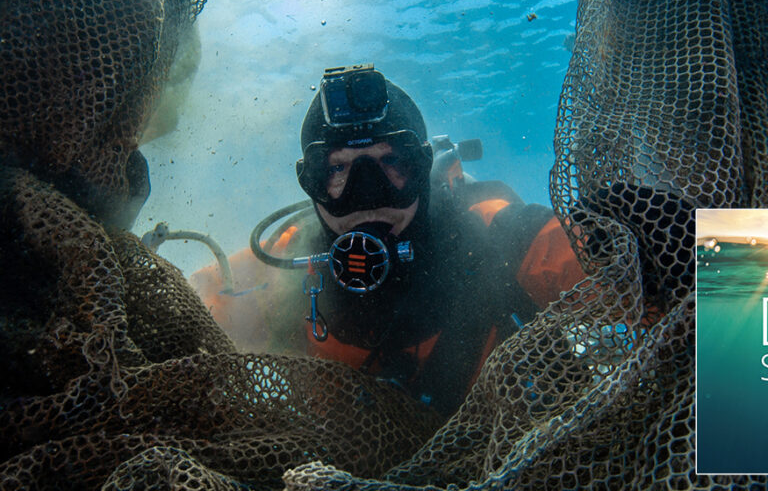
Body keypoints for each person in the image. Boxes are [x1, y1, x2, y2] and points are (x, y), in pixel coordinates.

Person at [190, 64, 585, 415]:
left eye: (391, 162)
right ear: (311, 184)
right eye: (338, 169)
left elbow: (608, 265)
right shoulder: (289, 264)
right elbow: (191, 313)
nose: (367, 197)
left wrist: (628, 235)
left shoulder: (498, 237)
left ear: (422, 168)